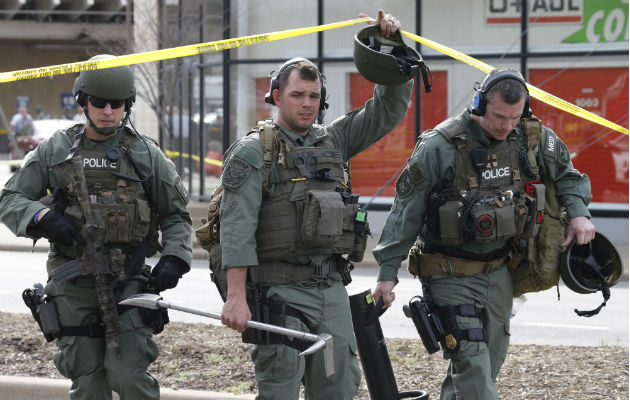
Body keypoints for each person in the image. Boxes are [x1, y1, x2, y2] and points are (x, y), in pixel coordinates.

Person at [219, 10, 414, 400]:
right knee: (280, 389)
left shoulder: (334, 141)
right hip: (278, 292)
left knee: (338, 389)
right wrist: (236, 295)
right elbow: (236, 227)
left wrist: (388, 45)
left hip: (331, 290)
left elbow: (387, 110)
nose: (307, 104)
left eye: (313, 96)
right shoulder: (254, 152)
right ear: (277, 96)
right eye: (297, 96)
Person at [372, 68, 595, 400]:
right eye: (499, 116)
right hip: (448, 273)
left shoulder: (530, 137)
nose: (506, 126)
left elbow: (567, 174)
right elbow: (406, 212)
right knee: (474, 369)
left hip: (500, 273)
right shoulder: (440, 147)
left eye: (514, 117)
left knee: (484, 368)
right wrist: (387, 273)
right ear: (478, 104)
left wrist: (578, 214)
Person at [0, 54, 193, 400]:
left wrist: (174, 260)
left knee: (130, 375)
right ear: (83, 101)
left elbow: (177, 215)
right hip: (73, 281)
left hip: (129, 279)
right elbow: (10, 199)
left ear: (127, 104)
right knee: (88, 382)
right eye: (99, 102)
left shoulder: (146, 155)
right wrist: (44, 218)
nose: (108, 110)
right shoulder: (55, 149)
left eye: (117, 103)